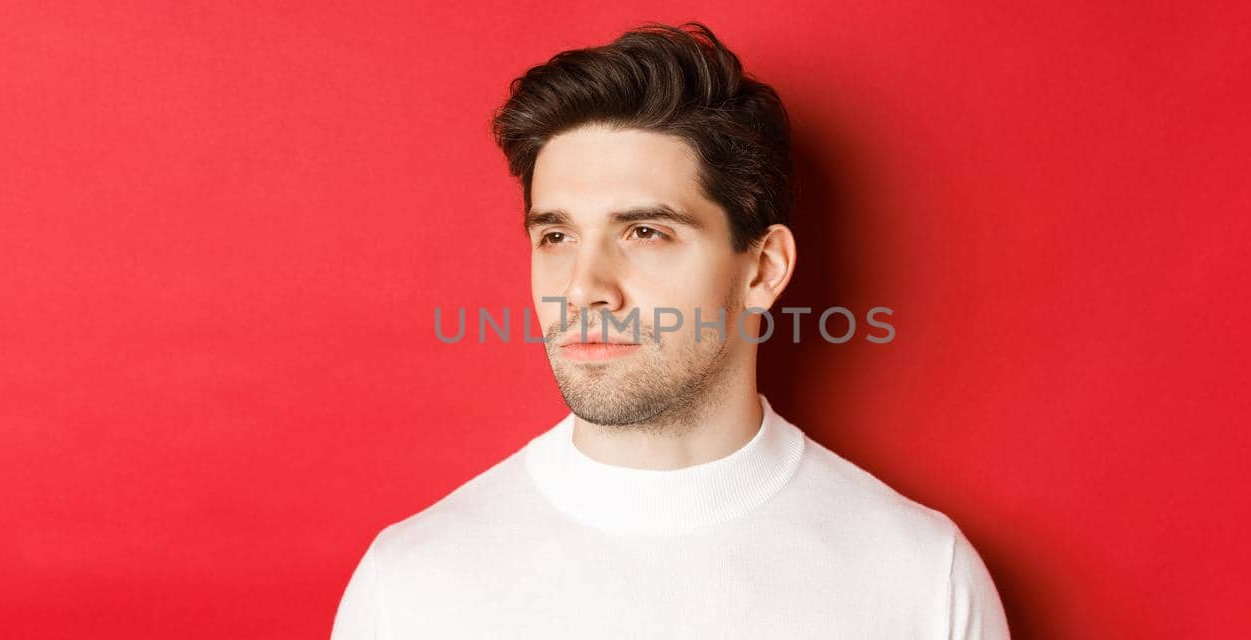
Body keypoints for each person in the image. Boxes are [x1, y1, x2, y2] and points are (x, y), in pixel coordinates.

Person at [331, 21, 1010, 639]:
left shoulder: (921, 579)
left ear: (763, 269)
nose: (583, 288)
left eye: (645, 231)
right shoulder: (413, 587)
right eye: (557, 234)